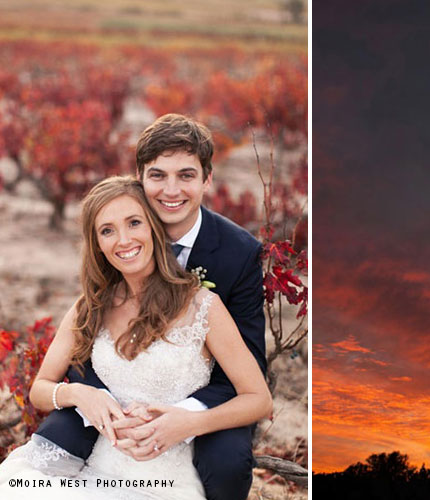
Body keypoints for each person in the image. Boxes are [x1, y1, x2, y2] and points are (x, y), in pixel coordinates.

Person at [34, 114, 267, 500]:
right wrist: (87, 396)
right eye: (158, 176)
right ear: (140, 178)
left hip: (204, 397)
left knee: (228, 463)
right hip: (112, 399)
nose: (171, 190)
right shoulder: (115, 249)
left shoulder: (237, 256)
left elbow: (251, 380)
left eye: (186, 175)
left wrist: (186, 418)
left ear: (207, 179)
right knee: (50, 449)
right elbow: (69, 359)